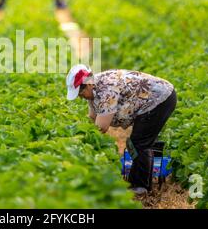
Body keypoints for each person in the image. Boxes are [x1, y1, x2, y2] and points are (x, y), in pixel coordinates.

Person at [66, 64, 177, 195]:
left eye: (80, 92)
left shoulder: (106, 89)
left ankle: (141, 186)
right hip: (151, 100)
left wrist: (87, 139)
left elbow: (101, 126)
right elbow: (92, 116)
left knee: (138, 143)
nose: (80, 96)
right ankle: (146, 170)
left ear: (88, 84)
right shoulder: (94, 86)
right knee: (140, 141)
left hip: (159, 99)